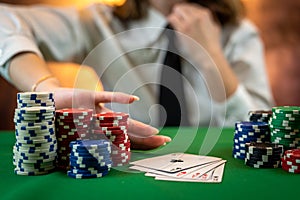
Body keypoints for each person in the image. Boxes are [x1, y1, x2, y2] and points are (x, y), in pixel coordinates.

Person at [0, 1, 273, 131]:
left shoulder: (239, 33)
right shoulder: (97, 21)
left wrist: (210, 56)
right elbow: (4, 20)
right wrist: (48, 88)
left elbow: (263, 131)